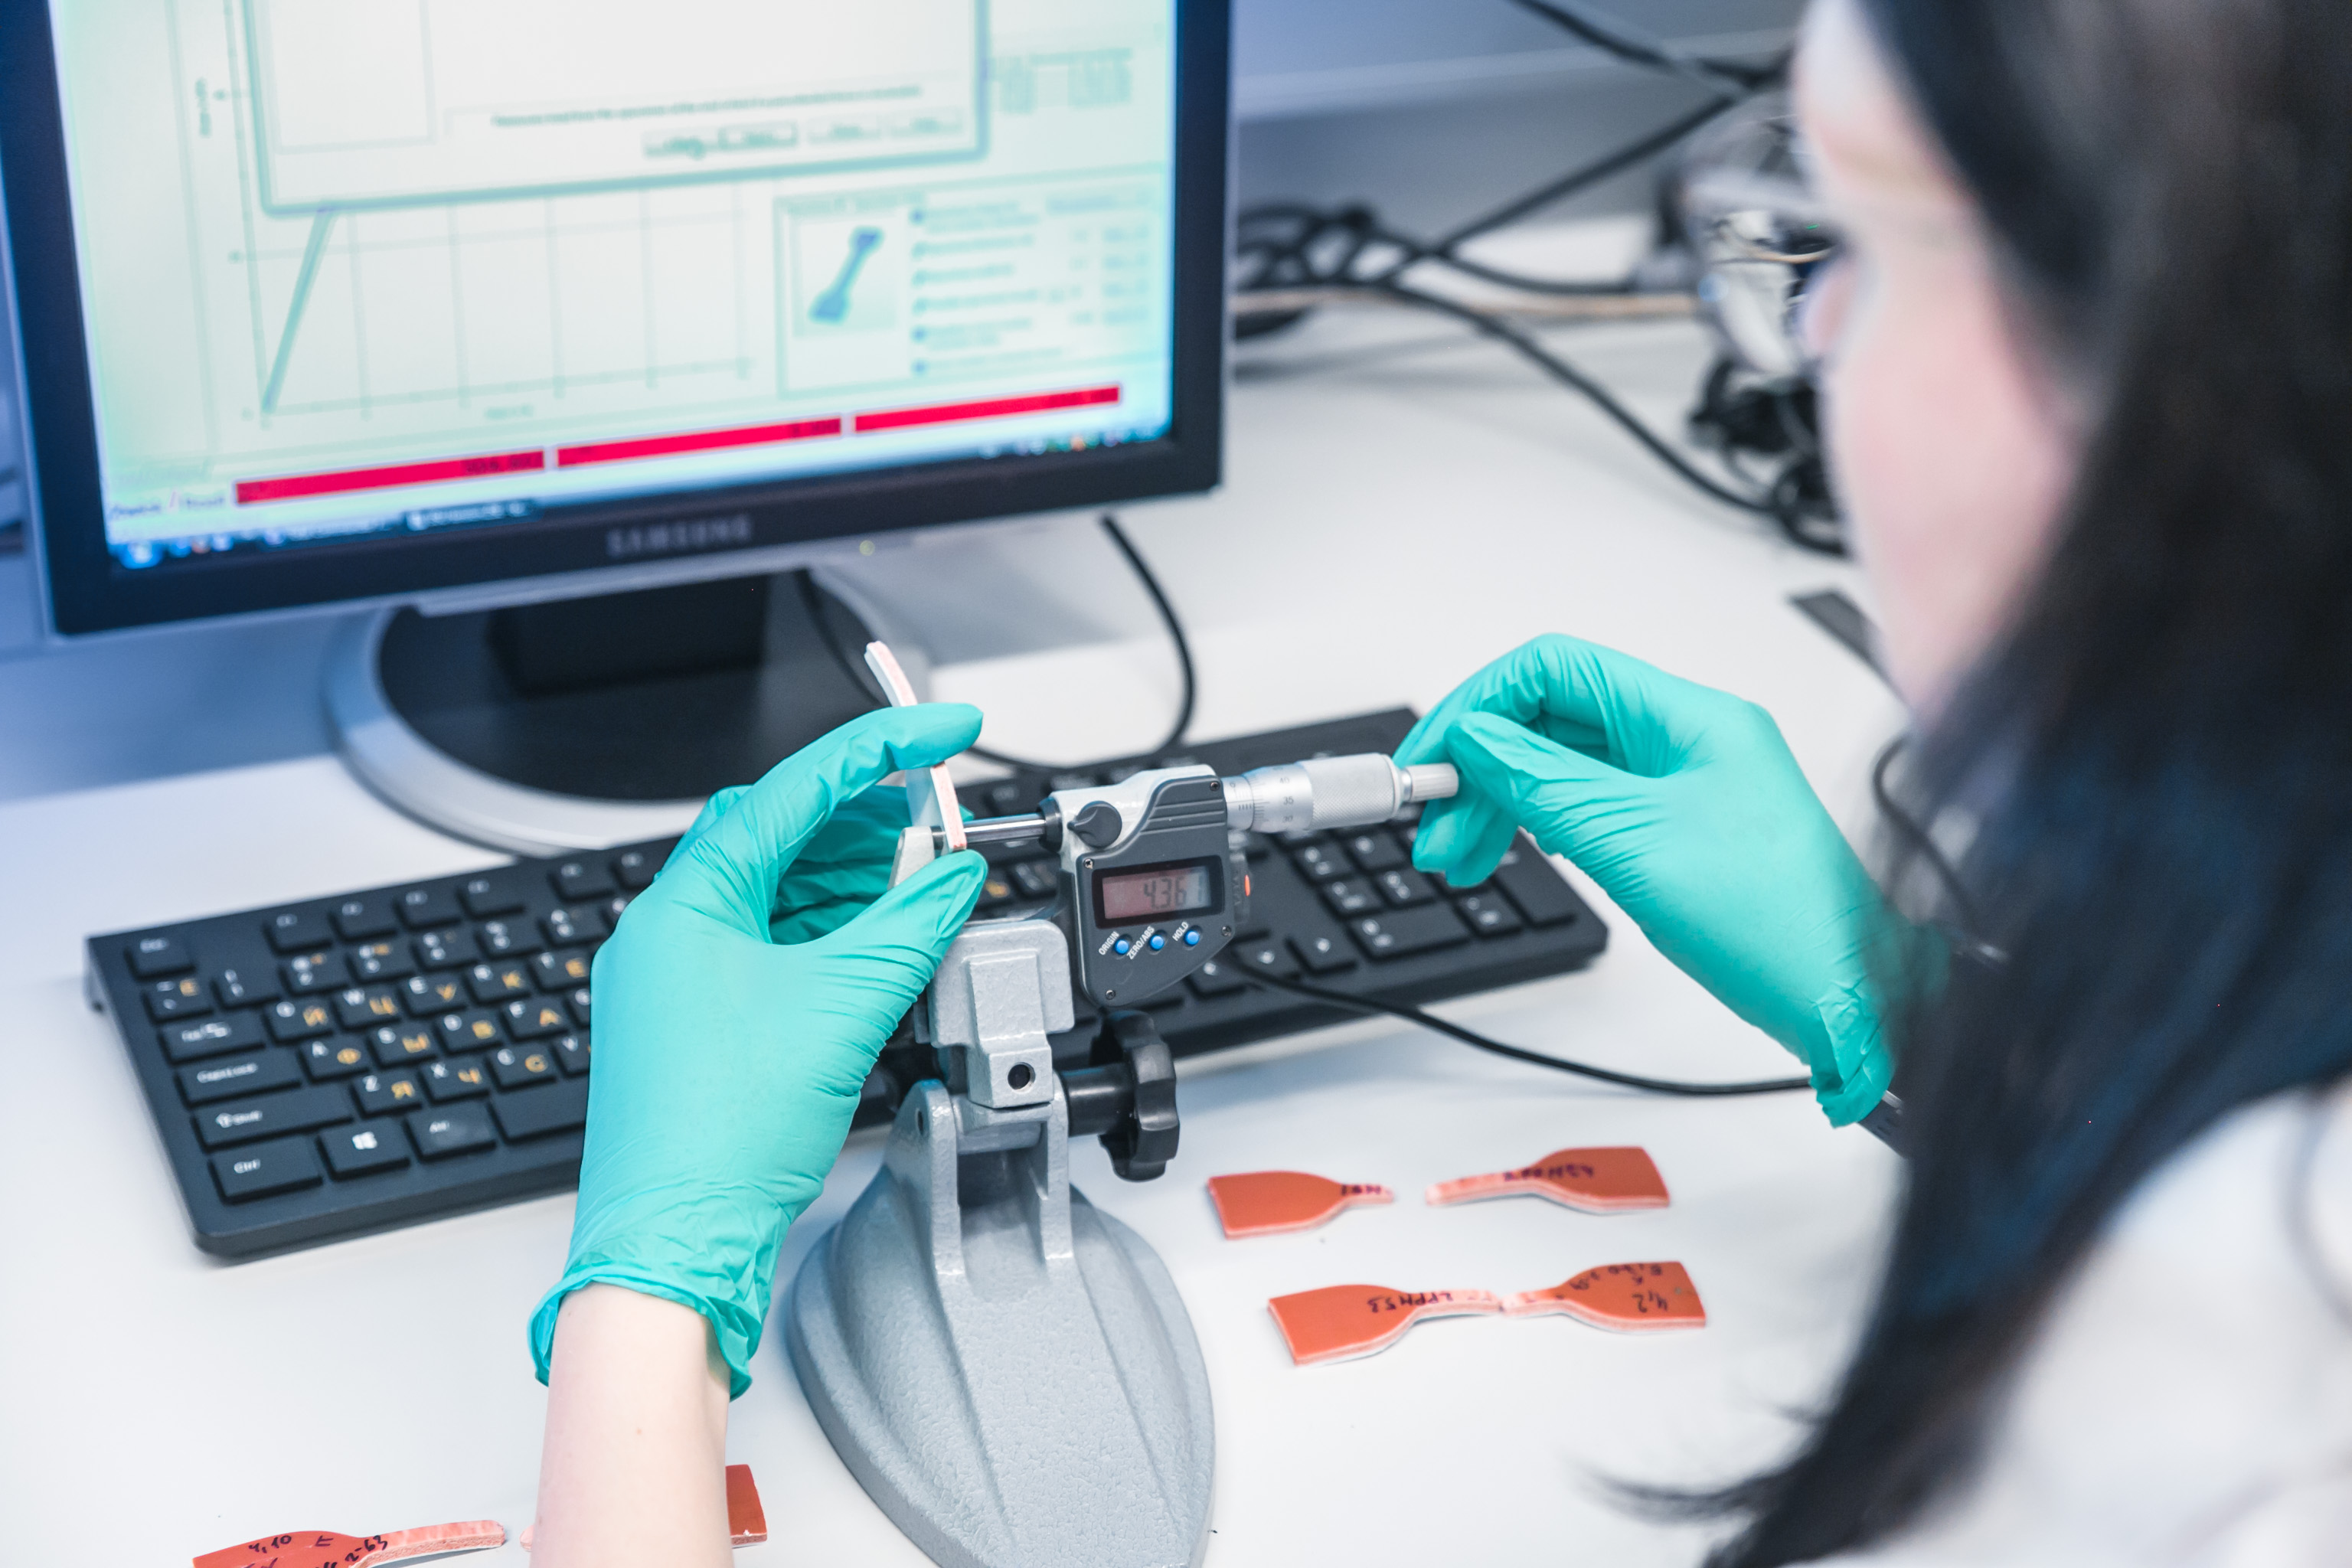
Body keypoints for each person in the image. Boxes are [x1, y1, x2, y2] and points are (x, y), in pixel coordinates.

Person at [524, 0, 2352, 1561]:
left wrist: (645, 1297)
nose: (1804, 348)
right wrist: (1916, 1013)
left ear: (2180, 358)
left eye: (1851, 246)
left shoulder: (2212, 1444)